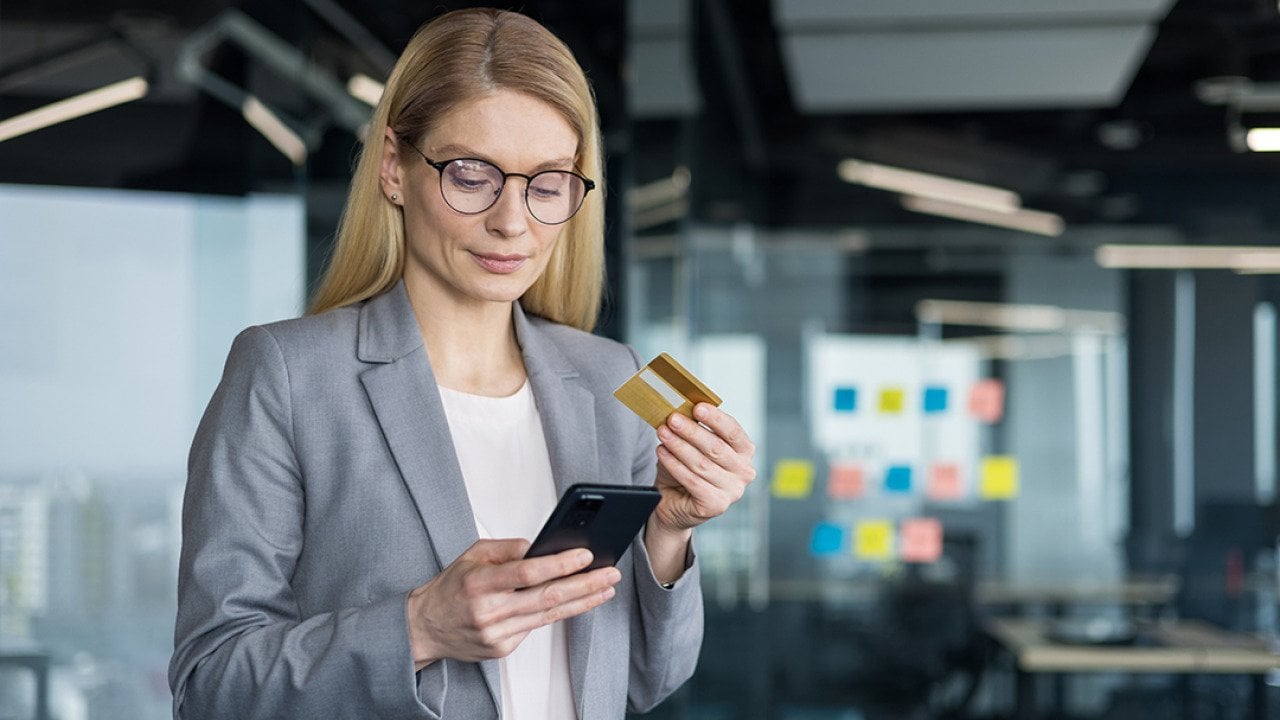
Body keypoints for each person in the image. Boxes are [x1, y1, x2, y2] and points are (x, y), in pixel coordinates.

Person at [168, 7, 756, 719]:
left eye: (546, 184)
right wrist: (418, 628)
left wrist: (672, 530)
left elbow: (641, 679)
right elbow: (211, 683)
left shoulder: (608, 380)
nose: (513, 221)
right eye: (473, 175)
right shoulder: (289, 376)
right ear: (394, 167)